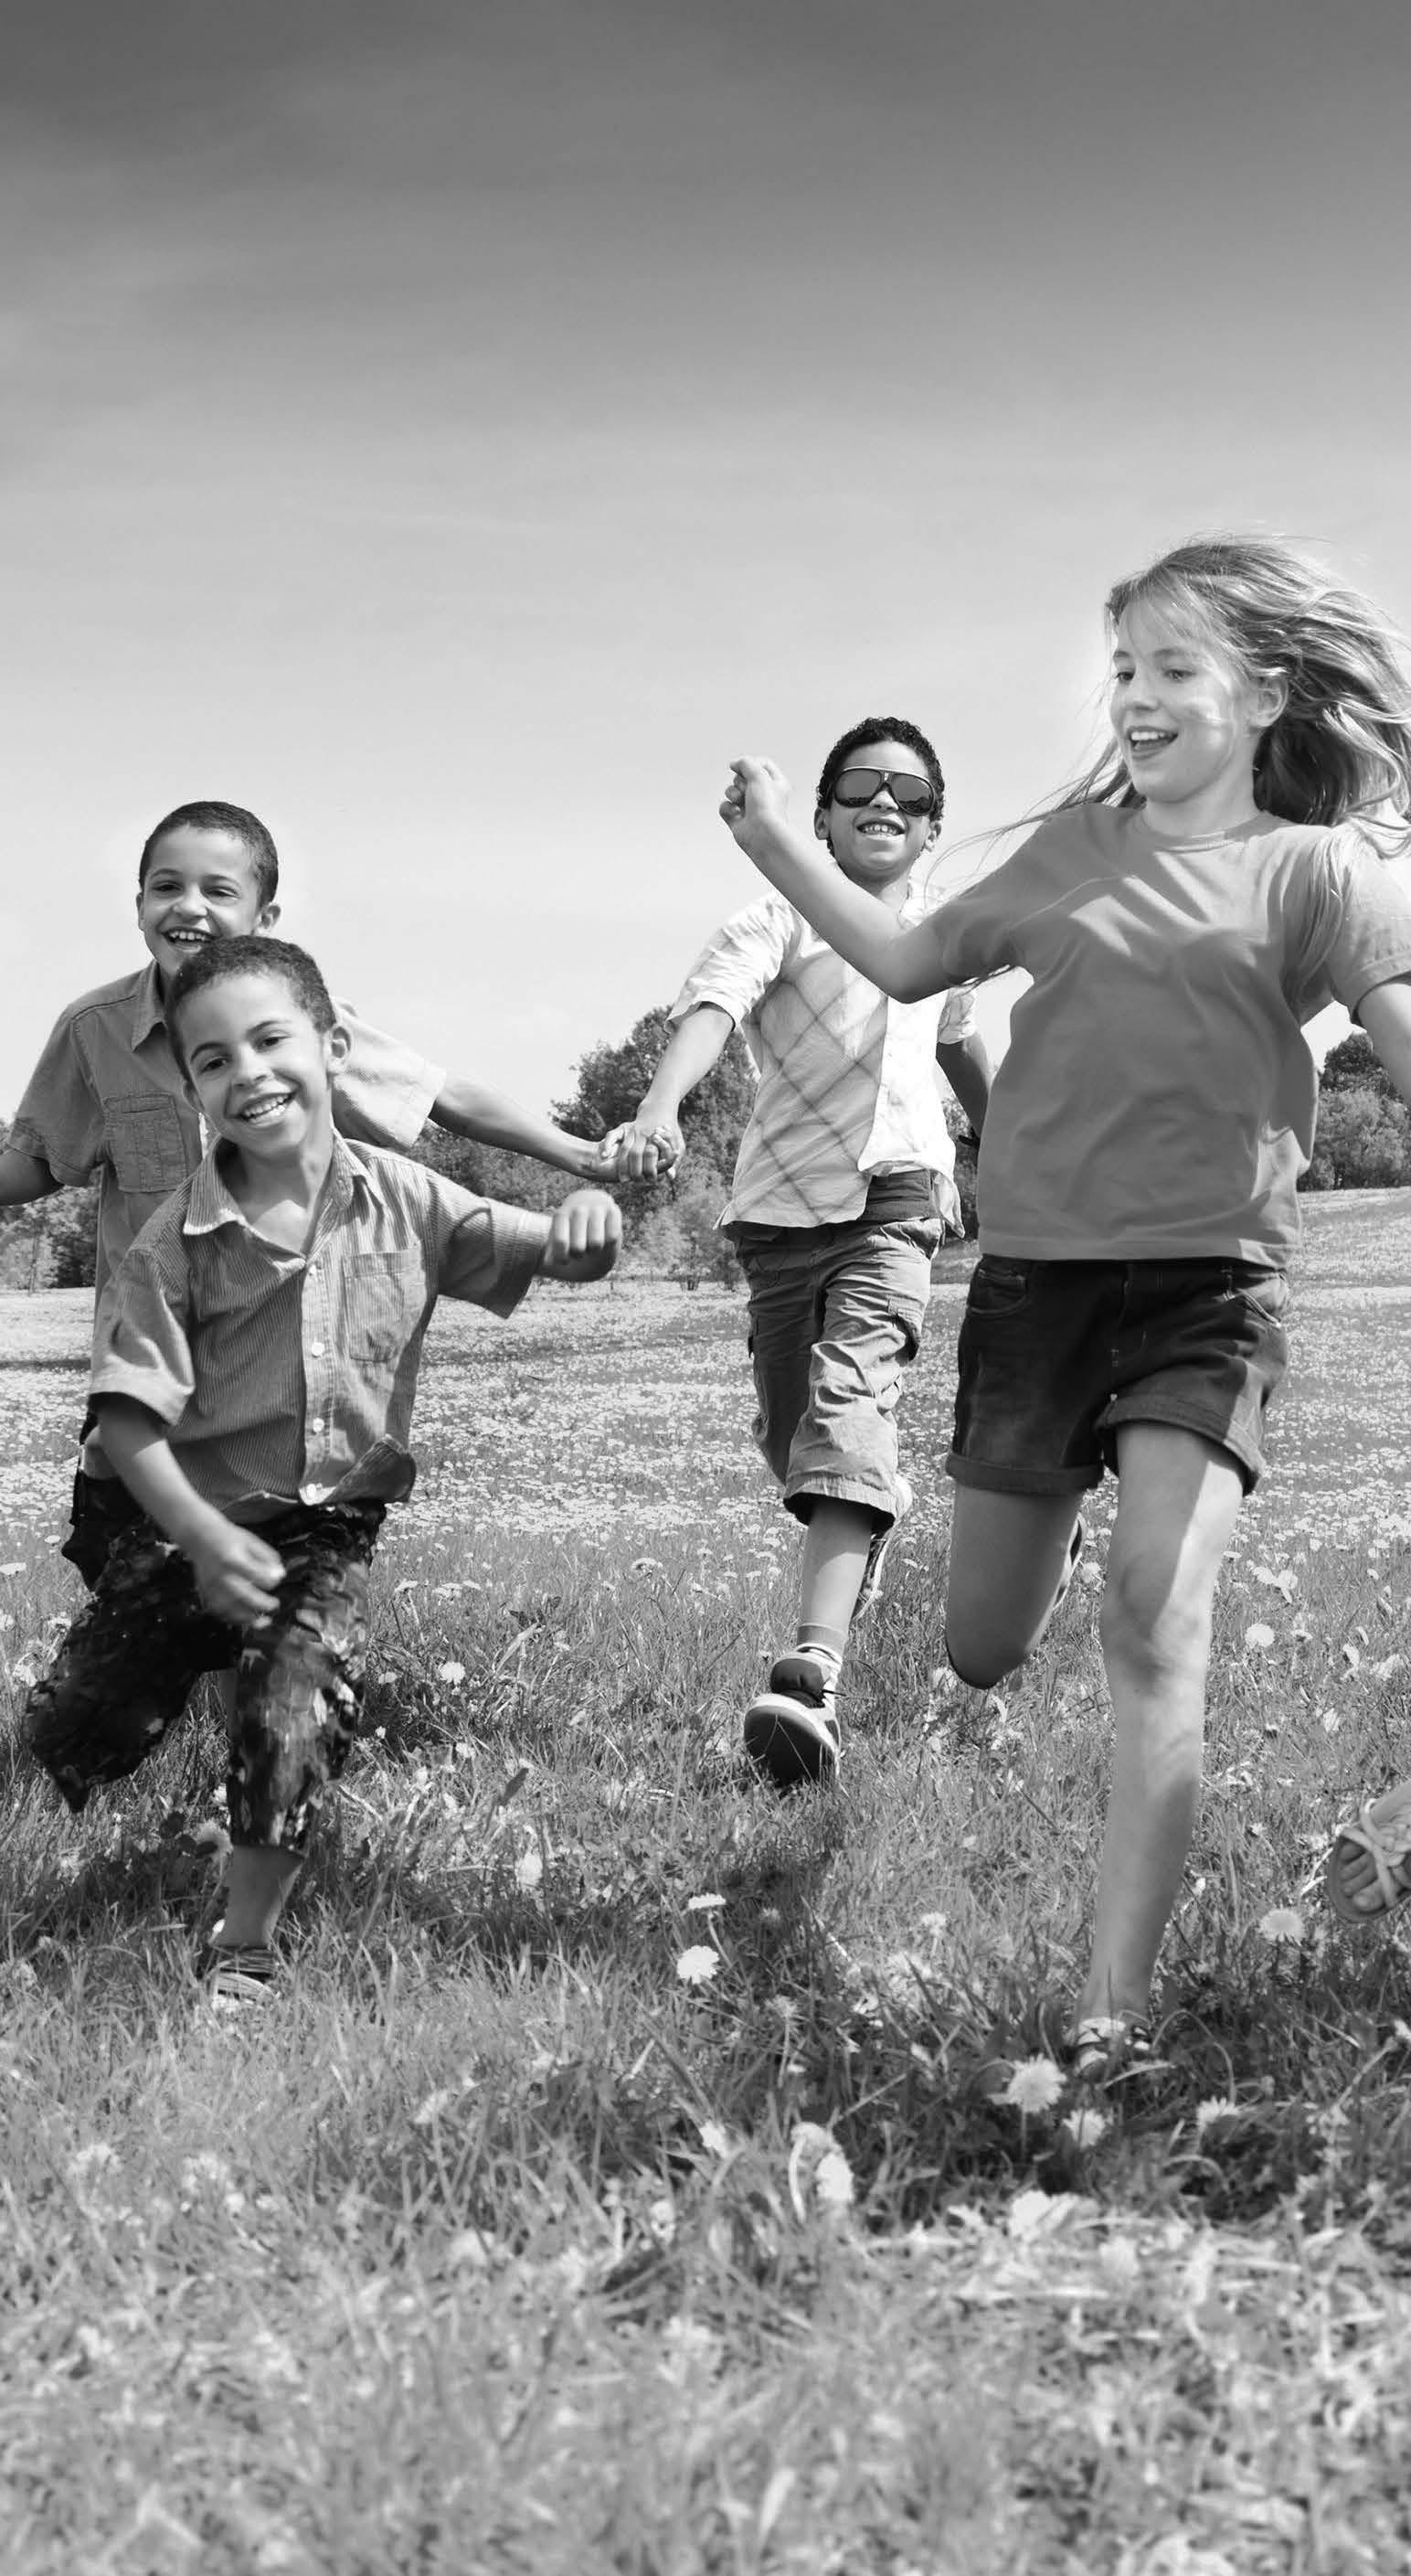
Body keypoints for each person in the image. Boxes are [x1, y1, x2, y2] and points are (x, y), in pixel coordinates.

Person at [719, 538, 1411, 2068]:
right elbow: (908, 956)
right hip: (1037, 1287)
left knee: (1154, 1621)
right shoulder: (1070, 852)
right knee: (979, 1645)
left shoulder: (1318, 872)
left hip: (1210, 1288)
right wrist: (775, 844)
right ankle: (1069, 1513)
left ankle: (1109, 2011)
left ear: (1266, 691)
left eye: (1173, 667)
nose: (1137, 698)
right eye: (1123, 670)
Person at [23, 934, 621, 1998]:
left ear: (333, 1047)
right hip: (187, 1522)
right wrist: (199, 1538)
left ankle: (243, 1947)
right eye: (213, 1060)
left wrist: (590, 1227)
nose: (247, 1071)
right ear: (192, 1090)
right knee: (80, 1723)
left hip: (326, 1524)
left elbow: (556, 1250)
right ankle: (81, 1763)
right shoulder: (172, 1243)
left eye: (269, 1040)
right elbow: (125, 1419)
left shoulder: (410, 1199)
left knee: (292, 1708)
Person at [0, 801, 606, 1581]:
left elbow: (440, 1096)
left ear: (264, 917)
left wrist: (578, 1154)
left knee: (278, 1575)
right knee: (134, 1583)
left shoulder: (299, 1021)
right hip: (154, 1354)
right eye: (166, 886)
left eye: (219, 890)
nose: (188, 907)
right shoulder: (93, 1028)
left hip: (273, 1362)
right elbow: (34, 1164)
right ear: (139, 903)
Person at [610, 717, 990, 1787]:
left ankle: (811, 1673)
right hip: (781, 1209)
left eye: (910, 795)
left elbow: (959, 1041)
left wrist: (1006, 1143)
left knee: (848, 1407)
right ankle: (859, 1514)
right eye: (860, 786)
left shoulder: (944, 931)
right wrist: (659, 1104)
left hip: (898, 1196)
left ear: (932, 827)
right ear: (817, 817)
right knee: (794, 1438)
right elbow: (711, 1008)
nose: (885, 804)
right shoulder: (776, 915)